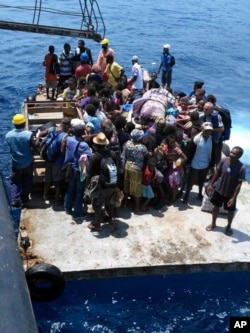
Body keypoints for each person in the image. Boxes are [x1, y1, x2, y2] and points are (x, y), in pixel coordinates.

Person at [205, 146, 246, 236]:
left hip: (230, 194)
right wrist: (211, 184)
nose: (231, 154)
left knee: (230, 211)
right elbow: (217, 172)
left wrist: (233, 198)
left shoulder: (241, 168)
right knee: (216, 207)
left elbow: (239, 184)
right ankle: (213, 223)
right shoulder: (224, 160)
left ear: (239, 156)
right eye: (231, 152)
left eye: (234, 154)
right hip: (219, 190)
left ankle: (228, 226)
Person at [86, 132, 119, 232]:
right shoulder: (112, 153)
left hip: (100, 185)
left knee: (97, 204)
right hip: (112, 183)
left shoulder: (95, 156)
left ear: (96, 145)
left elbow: (90, 173)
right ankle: (111, 219)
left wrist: (87, 187)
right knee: (109, 203)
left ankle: (96, 224)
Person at [36, 118, 71, 205]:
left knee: (47, 179)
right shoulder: (65, 136)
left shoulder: (52, 129)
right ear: (66, 126)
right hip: (57, 161)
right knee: (57, 181)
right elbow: (63, 152)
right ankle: (56, 200)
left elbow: (40, 133)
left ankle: (45, 195)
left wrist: (37, 141)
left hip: (48, 158)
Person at [5, 114, 36, 207]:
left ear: (14, 124)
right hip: (27, 162)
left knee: (15, 181)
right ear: (24, 123)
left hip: (16, 163)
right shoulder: (28, 134)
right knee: (27, 179)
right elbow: (34, 146)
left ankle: (15, 199)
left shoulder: (8, 135)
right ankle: (24, 198)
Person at [63, 124, 92, 220]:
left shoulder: (69, 139)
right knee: (79, 191)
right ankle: (77, 213)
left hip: (70, 168)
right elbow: (89, 156)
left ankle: (67, 208)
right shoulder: (83, 145)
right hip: (80, 169)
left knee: (70, 188)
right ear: (83, 133)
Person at [182, 122, 216, 204]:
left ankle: (200, 194)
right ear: (202, 130)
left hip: (205, 165)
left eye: (210, 131)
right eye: (207, 130)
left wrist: (212, 165)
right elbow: (188, 151)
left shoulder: (212, 141)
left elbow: (213, 153)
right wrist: (186, 162)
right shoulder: (195, 139)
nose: (208, 132)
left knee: (202, 181)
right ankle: (187, 195)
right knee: (191, 181)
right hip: (195, 164)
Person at [122, 129, 149, 211]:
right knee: (136, 188)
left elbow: (123, 156)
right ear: (140, 138)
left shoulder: (127, 144)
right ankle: (137, 207)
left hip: (127, 166)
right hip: (136, 169)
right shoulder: (142, 147)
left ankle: (125, 203)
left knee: (127, 185)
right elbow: (148, 156)